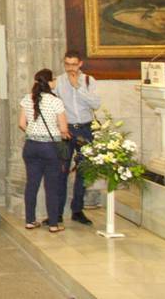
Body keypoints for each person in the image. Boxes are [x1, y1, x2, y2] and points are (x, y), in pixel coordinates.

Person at [53, 50, 101, 226]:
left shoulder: (89, 81)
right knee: (62, 171)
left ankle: (77, 210)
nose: (70, 68)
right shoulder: (58, 81)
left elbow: (96, 104)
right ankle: (57, 212)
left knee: (83, 170)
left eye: (73, 64)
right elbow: (54, 105)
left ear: (80, 64)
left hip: (85, 129)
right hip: (66, 130)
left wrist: (78, 87)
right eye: (67, 64)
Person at [20, 69, 71, 232]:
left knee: (32, 184)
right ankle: (54, 224)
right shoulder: (55, 101)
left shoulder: (28, 99)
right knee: (52, 186)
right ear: (50, 82)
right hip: (50, 148)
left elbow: (22, 124)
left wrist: (34, 131)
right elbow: (63, 128)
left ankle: (30, 220)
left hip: (31, 146)